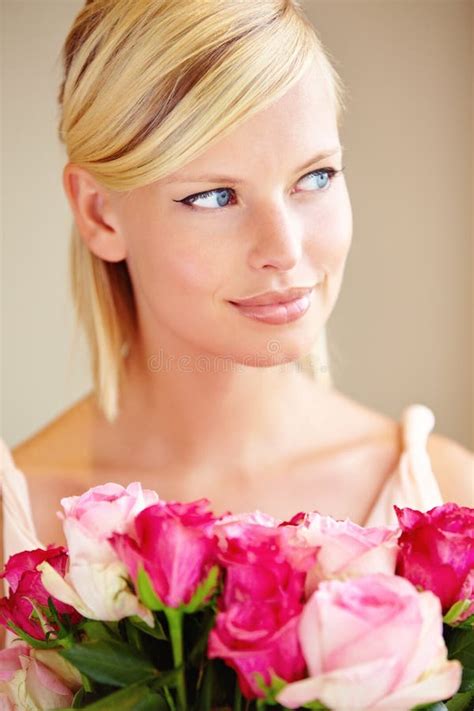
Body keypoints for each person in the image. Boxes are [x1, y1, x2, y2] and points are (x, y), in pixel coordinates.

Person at [1, 0, 472, 648]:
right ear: (100, 213)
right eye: (214, 196)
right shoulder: (16, 526)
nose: (284, 246)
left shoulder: (450, 504)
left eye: (316, 176)